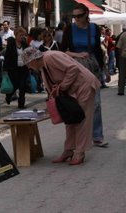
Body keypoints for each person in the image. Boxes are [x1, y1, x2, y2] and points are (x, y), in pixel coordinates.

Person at [22, 47, 101, 165]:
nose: (29, 67)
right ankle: (68, 150)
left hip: (84, 85)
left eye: (28, 64)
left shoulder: (50, 57)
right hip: (72, 90)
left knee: (81, 119)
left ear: (33, 60)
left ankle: (80, 152)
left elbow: (73, 69)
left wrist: (63, 86)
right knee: (70, 119)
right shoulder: (43, 64)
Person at [61, 3, 110, 148]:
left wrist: (105, 70)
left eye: (79, 16)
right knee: (77, 104)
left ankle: (97, 136)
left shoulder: (94, 28)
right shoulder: (70, 29)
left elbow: (97, 51)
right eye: (74, 16)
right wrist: (77, 54)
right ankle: (78, 139)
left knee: (96, 104)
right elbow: (63, 50)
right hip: (75, 68)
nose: (76, 19)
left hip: (92, 68)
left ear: (86, 14)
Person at [3, 27, 29, 109]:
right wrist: (5, 69)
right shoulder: (11, 44)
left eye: (23, 35)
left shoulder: (25, 44)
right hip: (13, 69)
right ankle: (9, 96)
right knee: (14, 86)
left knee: (22, 87)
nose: (22, 37)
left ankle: (21, 104)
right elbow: (7, 57)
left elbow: (28, 55)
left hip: (23, 68)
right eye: (20, 35)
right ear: (16, 35)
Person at [116, 29, 126, 96]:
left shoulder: (123, 34)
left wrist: (120, 55)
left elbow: (118, 47)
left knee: (122, 73)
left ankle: (121, 91)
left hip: (123, 56)